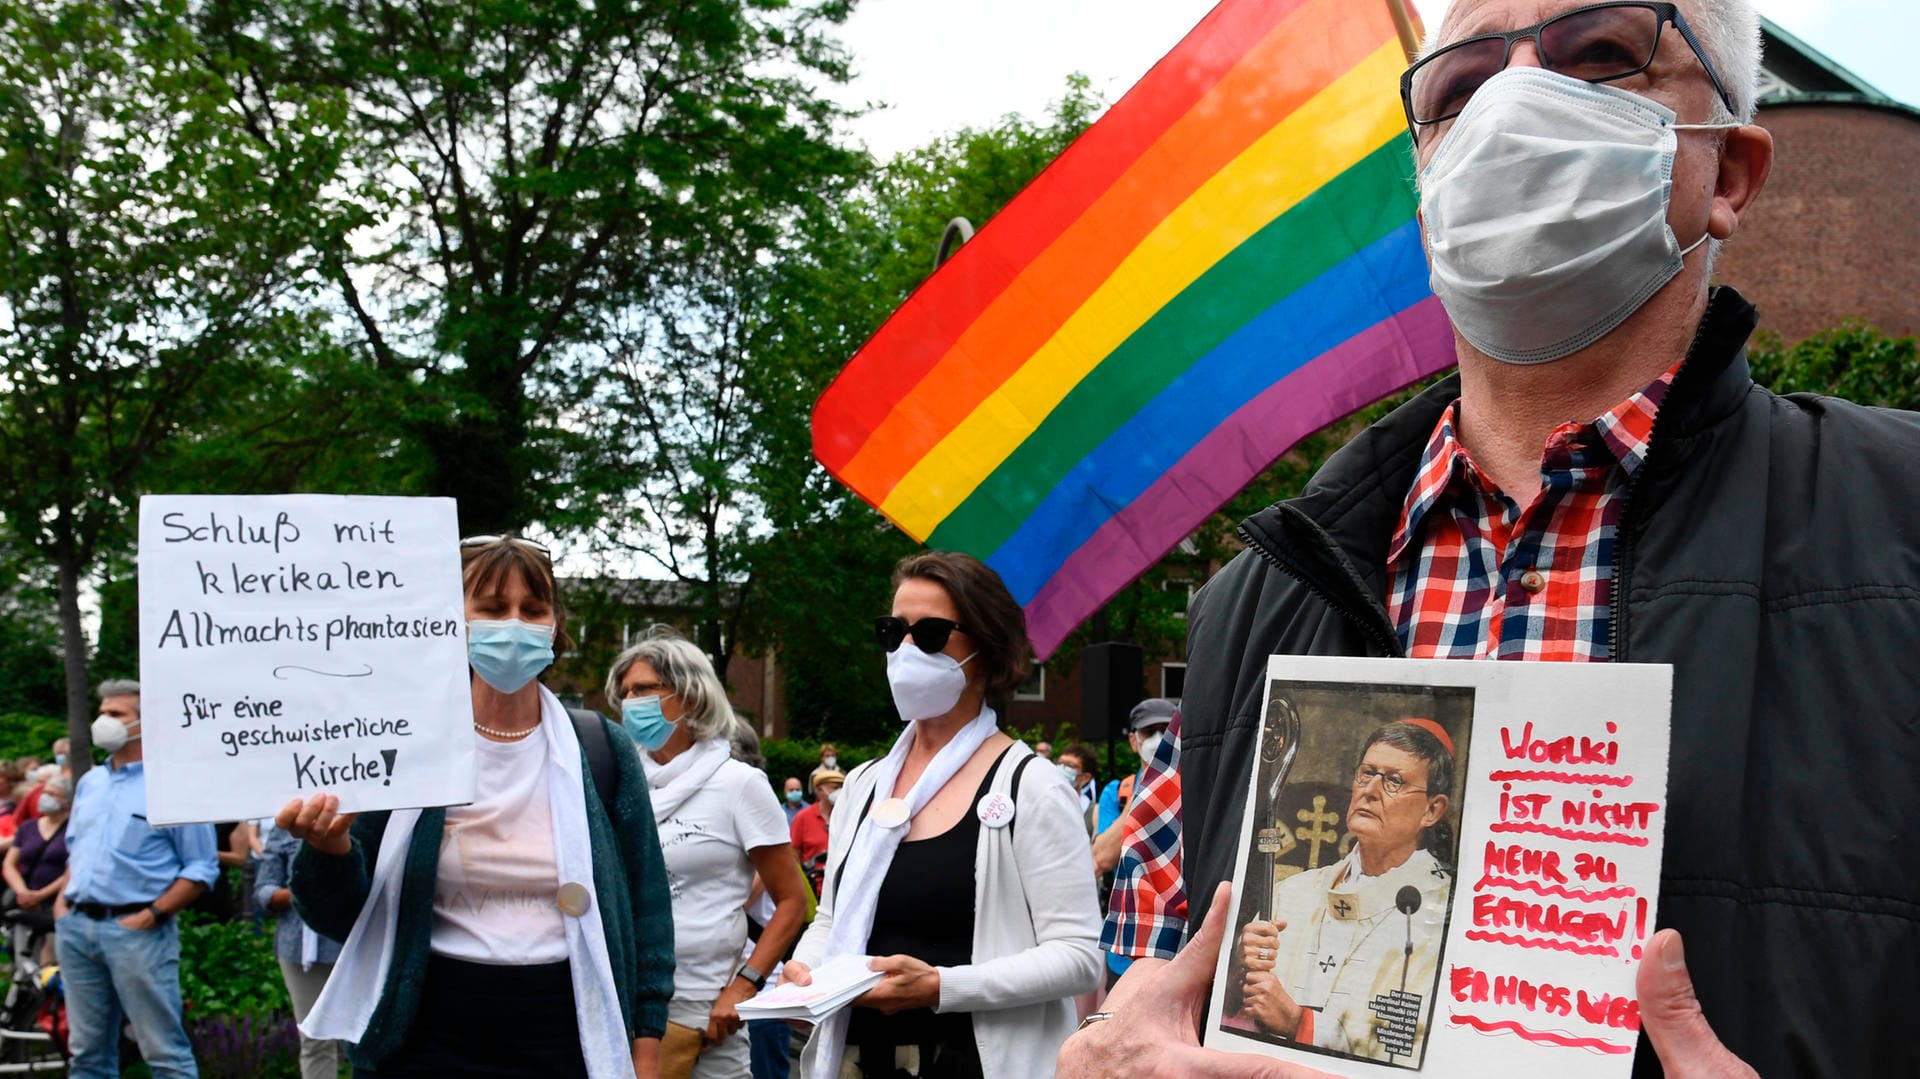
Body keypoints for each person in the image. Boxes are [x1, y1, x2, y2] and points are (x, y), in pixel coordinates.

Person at [1061, 2, 1920, 1077]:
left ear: (1730, 173)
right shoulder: (1251, 601)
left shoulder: (1900, 522)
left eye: (1600, 58)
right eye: (1459, 90)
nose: (1514, 108)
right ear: (1428, 191)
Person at [280, 534, 676, 1079]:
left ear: (555, 625)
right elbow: (337, 915)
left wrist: (647, 1043)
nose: (513, 624)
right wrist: (328, 848)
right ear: (450, 619)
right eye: (491, 609)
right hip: (425, 1036)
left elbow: (647, 905)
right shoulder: (398, 746)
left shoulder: (601, 750)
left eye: (532, 609)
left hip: (567, 1036)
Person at [786, 550, 1102, 1079]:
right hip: (858, 1060)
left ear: (986, 646)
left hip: (974, 1063)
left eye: (930, 633)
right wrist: (805, 968)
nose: (906, 649)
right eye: (893, 632)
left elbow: (1078, 956)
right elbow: (831, 919)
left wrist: (940, 986)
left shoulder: (1031, 786)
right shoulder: (863, 784)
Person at [608, 625, 809, 1079]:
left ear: (690, 694)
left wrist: (745, 985)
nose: (632, 703)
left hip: (709, 1007)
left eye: (645, 689)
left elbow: (792, 901)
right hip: (627, 998)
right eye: (625, 693)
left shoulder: (738, 784)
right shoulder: (618, 782)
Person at [1235, 722, 1453, 1062]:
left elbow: (1412, 1045)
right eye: (1367, 774)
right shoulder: (1293, 892)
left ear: (1431, 810)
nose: (1370, 790)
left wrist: (1299, 1024)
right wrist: (1242, 959)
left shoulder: (1445, 913)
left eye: (1394, 781)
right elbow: (1238, 1003)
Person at [56, 679, 219, 1079]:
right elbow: (77, 849)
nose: (102, 722)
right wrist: (63, 903)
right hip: (76, 929)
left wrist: (152, 915)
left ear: (146, 724)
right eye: (103, 712)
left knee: (164, 1054)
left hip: (137, 932)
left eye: (116, 715)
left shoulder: (172, 784)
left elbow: (201, 866)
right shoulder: (91, 782)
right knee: (86, 1056)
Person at [255, 823, 344, 1079]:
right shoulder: (284, 828)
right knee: (315, 1039)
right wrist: (301, 893)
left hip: (360, 945)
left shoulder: (365, 816)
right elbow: (263, 890)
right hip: (300, 950)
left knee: (370, 1036)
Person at [3, 774, 71, 937]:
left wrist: (41, 895)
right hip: (24, 899)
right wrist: (23, 893)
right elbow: (9, 864)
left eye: (52, 794)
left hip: (57, 901)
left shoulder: (73, 828)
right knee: (22, 951)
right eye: (45, 793)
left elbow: (73, 868)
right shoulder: (28, 827)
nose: (45, 798)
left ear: (67, 801)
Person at [1096, 700, 1174, 836]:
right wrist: (1140, 797)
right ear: (1133, 741)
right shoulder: (1116, 793)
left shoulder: (1193, 788)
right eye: (1149, 732)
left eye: (1166, 731)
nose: (1159, 739)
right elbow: (1102, 856)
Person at [1056, 744, 1098, 835]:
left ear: (1085, 777)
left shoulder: (1094, 812)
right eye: (1059, 763)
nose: (1062, 768)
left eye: (1070, 766)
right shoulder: (1043, 802)